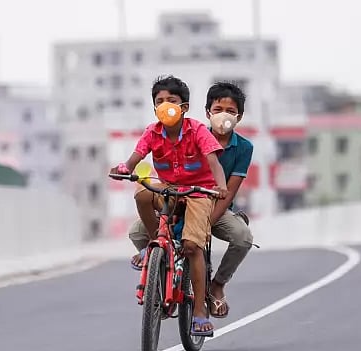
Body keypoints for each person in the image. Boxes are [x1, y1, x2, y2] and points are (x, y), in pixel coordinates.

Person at [109, 75, 229, 336]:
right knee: (142, 193)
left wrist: (220, 186)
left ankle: (198, 311)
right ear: (154, 108)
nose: (165, 106)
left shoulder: (197, 130)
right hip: (169, 190)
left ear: (184, 107)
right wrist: (123, 169)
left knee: (192, 247)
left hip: (199, 192)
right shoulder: (152, 132)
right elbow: (134, 159)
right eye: (159, 101)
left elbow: (214, 163)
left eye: (171, 101)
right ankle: (153, 247)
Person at [127, 81, 255, 320]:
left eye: (230, 111)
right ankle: (163, 274)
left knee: (242, 237)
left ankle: (216, 285)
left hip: (212, 204)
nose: (223, 117)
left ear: (239, 116)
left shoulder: (243, 147)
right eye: (218, 110)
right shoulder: (196, 133)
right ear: (207, 112)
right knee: (137, 233)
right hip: (180, 198)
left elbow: (229, 190)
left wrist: (207, 222)